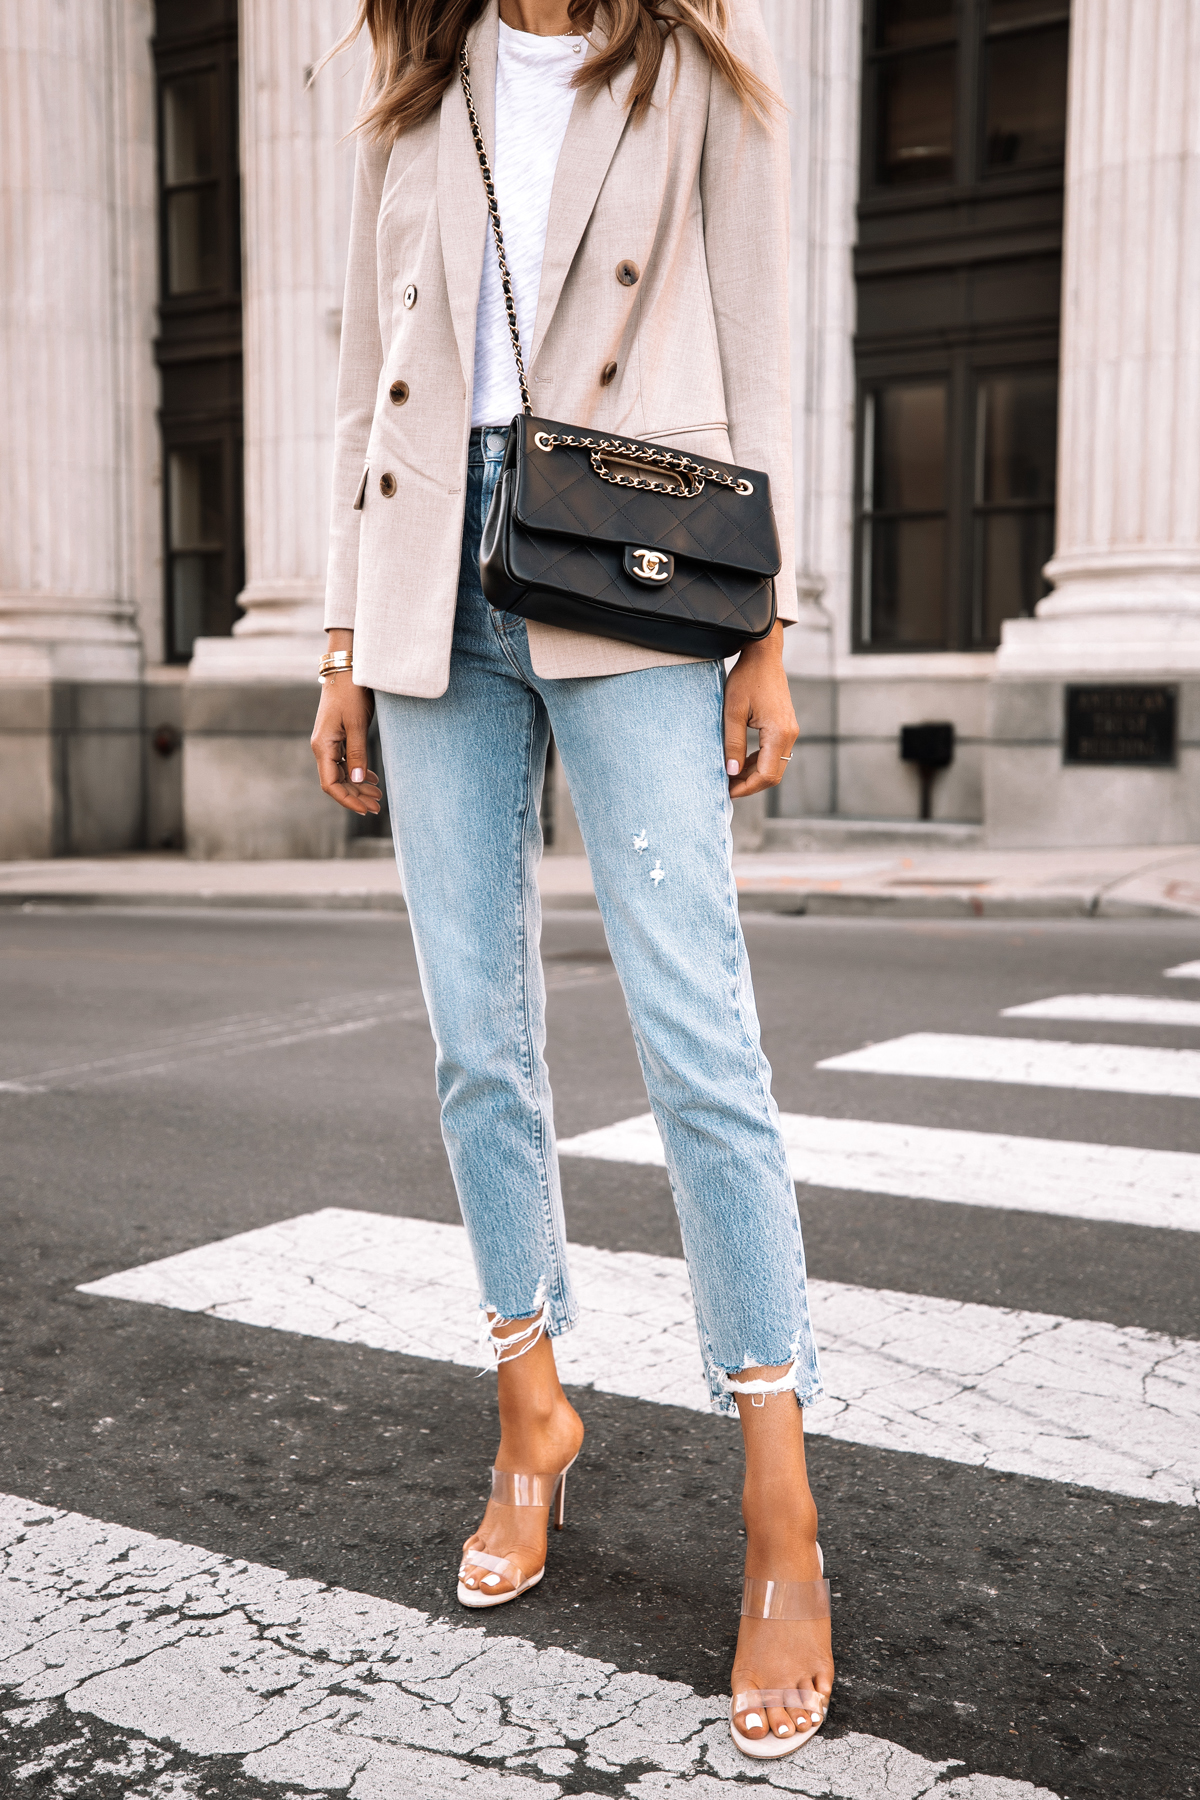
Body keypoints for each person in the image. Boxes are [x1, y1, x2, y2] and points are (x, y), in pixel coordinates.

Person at [312, 0, 834, 1758]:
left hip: (632, 553)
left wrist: (770, 628)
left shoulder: (700, 69)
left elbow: (764, 346)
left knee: (699, 1036)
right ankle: (532, 1410)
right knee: (477, 1039)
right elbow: (362, 365)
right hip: (426, 583)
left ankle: (779, 1494)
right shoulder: (413, 89)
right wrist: (338, 638)